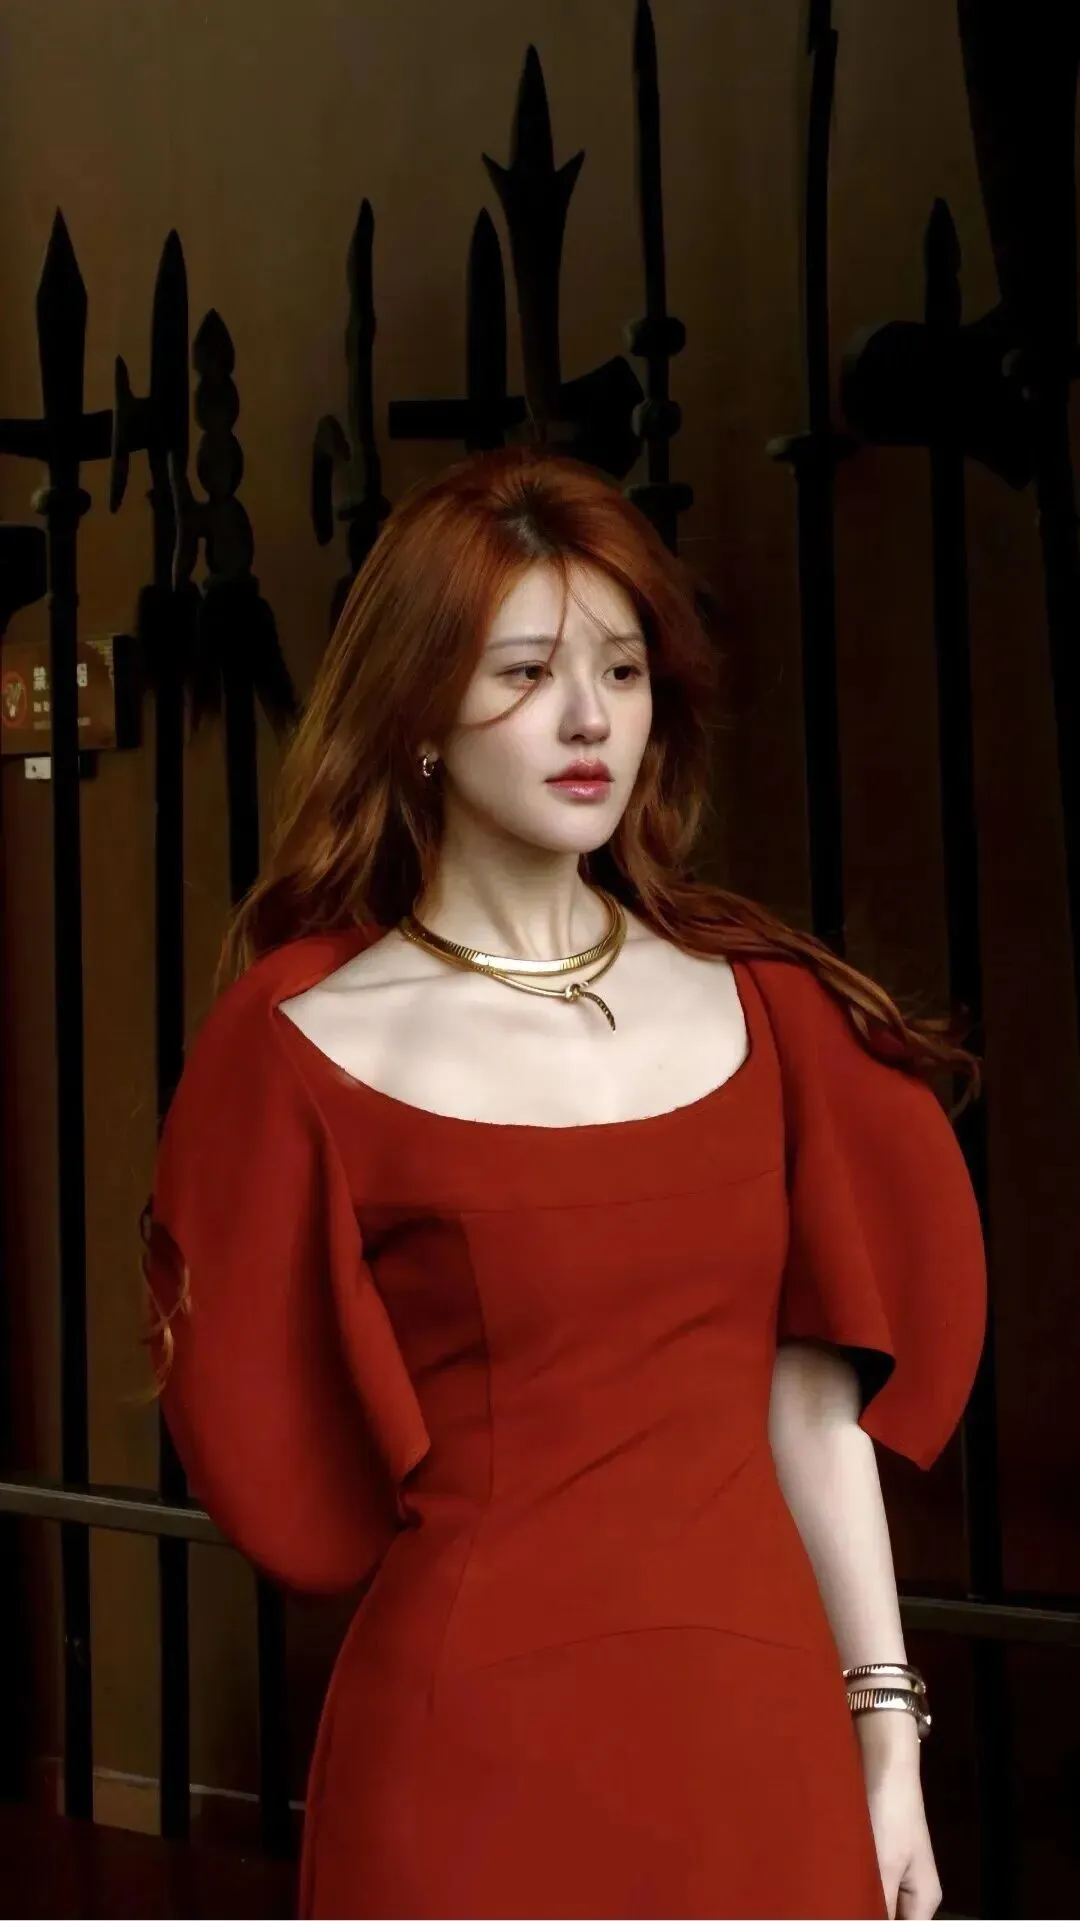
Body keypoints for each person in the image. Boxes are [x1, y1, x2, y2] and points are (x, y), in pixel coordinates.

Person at [141, 446, 987, 1921]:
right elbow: (269, 1437)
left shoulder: (772, 1011)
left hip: (758, 1742)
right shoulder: (306, 1042)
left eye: (623, 669)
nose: (591, 717)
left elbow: (812, 1414)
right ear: (418, 715)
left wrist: (886, 1729)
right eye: (526, 672)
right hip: (466, 1748)